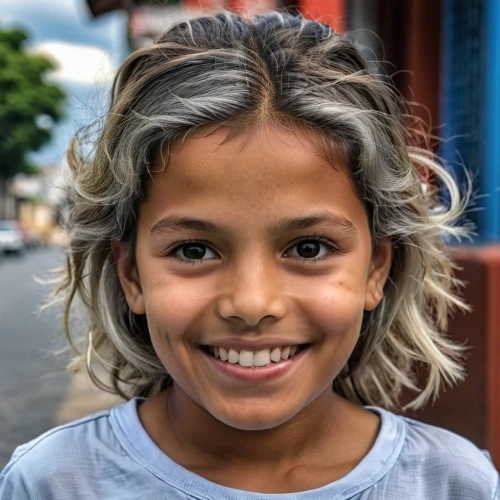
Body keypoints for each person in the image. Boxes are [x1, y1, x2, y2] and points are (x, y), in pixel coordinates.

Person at [0, 10, 498, 500]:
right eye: (194, 250)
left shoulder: (454, 483)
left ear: (376, 269)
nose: (253, 302)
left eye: (309, 248)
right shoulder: (54, 482)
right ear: (131, 275)